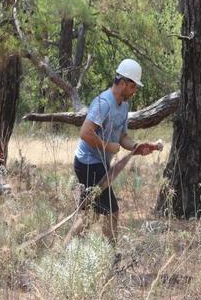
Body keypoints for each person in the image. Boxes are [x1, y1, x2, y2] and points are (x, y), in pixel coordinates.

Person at [65, 59, 159, 246]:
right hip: (88, 163)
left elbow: (122, 136)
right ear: (122, 83)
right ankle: (111, 254)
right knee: (111, 212)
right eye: (133, 86)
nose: (134, 91)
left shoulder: (123, 107)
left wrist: (136, 147)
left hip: (98, 163)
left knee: (90, 215)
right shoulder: (104, 103)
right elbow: (85, 133)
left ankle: (67, 250)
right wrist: (108, 146)